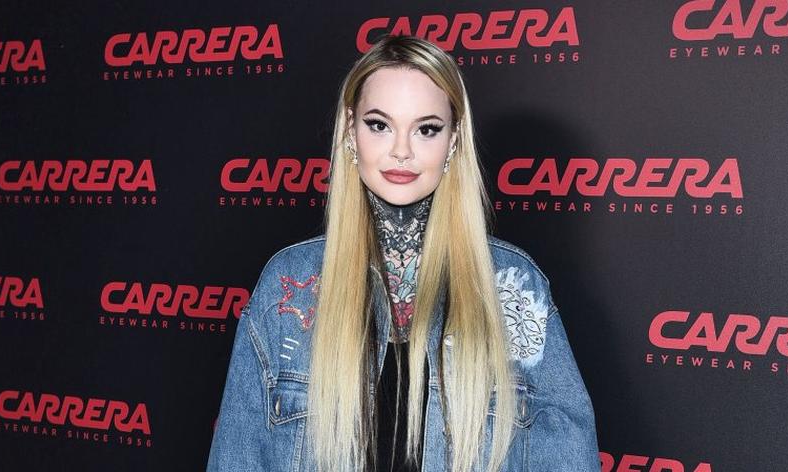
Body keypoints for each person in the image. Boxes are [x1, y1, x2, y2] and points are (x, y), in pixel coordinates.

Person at [206, 34, 599, 472]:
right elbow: (237, 458)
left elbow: (568, 456)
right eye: (380, 125)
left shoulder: (512, 286)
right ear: (351, 130)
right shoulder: (289, 283)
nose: (401, 150)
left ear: (453, 139)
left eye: (426, 129)